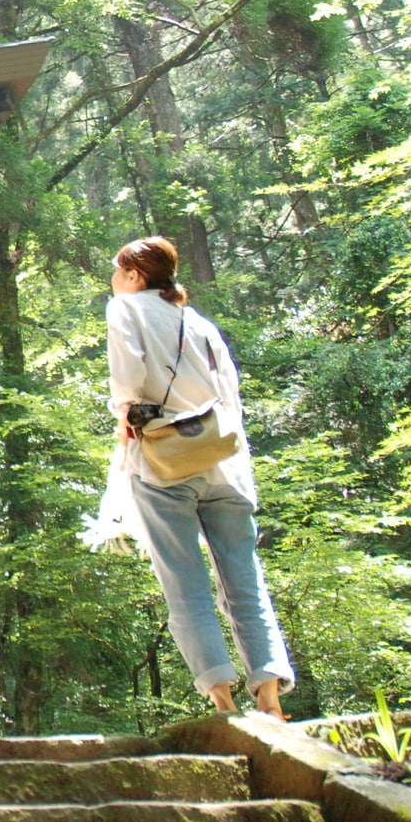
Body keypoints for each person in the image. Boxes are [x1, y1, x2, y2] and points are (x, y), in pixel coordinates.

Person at [105, 236, 293, 719]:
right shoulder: (200, 323)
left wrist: (125, 419)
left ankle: (222, 699)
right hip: (223, 463)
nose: (113, 278)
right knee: (244, 581)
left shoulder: (125, 309)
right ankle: (269, 692)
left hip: (164, 463)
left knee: (185, 582)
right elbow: (230, 398)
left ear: (134, 275)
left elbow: (127, 381)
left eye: (116, 270)